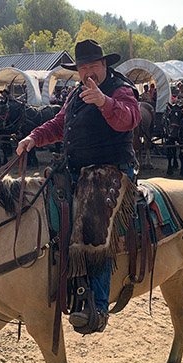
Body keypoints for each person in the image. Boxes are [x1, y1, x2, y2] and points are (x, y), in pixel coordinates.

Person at [16, 39, 140, 334]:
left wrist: (103, 102)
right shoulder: (75, 94)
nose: (88, 72)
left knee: (92, 218)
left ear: (104, 65)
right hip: (76, 168)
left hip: (111, 169)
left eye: (93, 66)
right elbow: (59, 125)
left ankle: (97, 305)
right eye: (83, 68)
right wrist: (34, 137)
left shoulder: (120, 89)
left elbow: (130, 119)